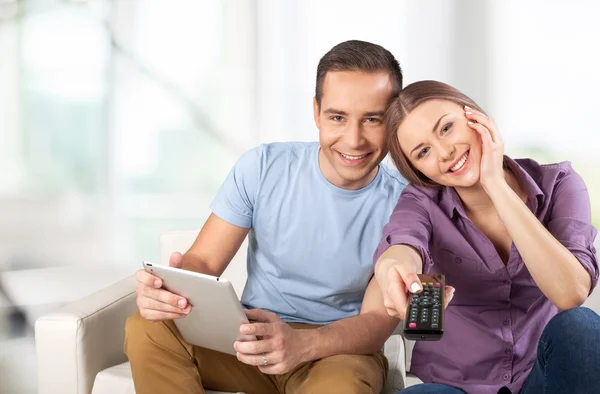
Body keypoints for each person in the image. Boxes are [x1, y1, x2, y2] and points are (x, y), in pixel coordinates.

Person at [125, 40, 414, 394]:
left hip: (338, 350)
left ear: (395, 120)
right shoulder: (263, 167)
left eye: (373, 120)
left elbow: (376, 322)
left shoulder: (407, 202)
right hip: (249, 337)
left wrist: (301, 346)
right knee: (147, 326)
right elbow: (203, 260)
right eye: (337, 118)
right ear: (316, 112)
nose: (353, 140)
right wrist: (172, 290)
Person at [374, 80, 600, 394]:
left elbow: (571, 292)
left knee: (581, 325)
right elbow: (402, 243)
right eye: (423, 152)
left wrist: (494, 183)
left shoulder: (559, 183)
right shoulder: (422, 201)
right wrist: (394, 271)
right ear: (418, 169)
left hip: (542, 378)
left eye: (446, 128)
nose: (445, 152)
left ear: (475, 116)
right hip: (455, 386)